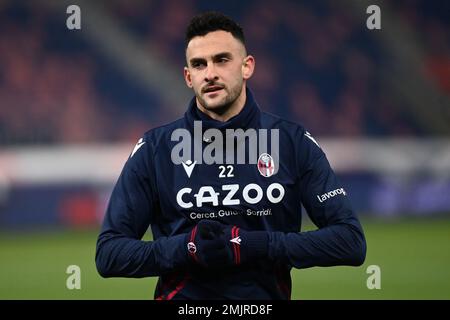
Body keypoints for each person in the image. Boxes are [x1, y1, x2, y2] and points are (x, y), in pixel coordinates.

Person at [95, 11, 366, 300]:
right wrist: (187, 247)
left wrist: (255, 246)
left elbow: (349, 241)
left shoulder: (292, 142)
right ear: (188, 77)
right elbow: (109, 254)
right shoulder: (155, 149)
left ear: (247, 66)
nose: (210, 73)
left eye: (221, 59)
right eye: (199, 65)